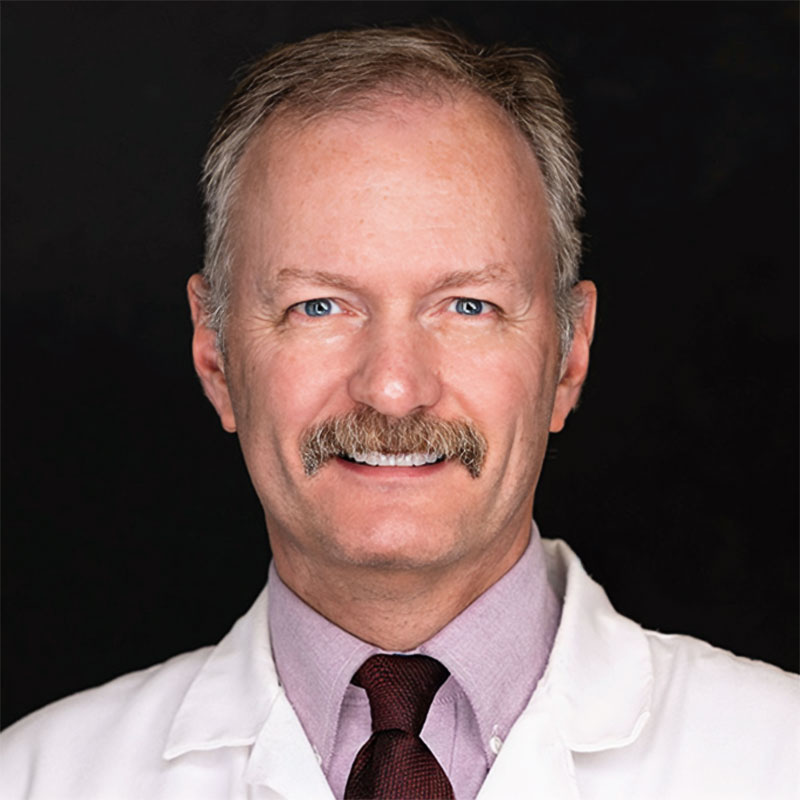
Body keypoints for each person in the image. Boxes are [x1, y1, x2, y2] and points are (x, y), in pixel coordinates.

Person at [1, 24, 797, 800]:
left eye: (468, 306)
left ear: (569, 356)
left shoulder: (777, 759)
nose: (392, 388)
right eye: (319, 306)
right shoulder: (36, 778)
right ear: (215, 354)